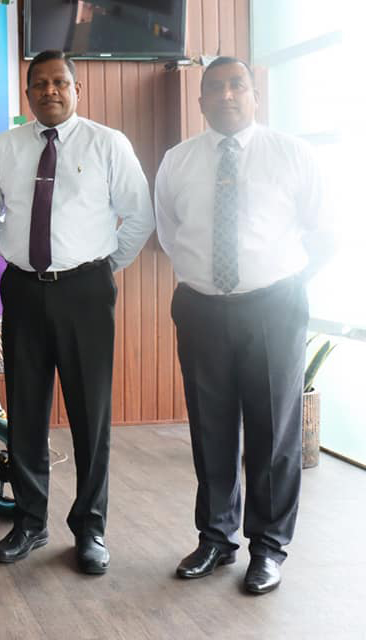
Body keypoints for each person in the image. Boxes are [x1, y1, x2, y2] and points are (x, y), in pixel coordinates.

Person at [155, 57, 332, 595]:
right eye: (215, 88)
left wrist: (280, 285)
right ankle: (215, 538)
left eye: (237, 86)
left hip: (273, 307)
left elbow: (324, 233)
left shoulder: (292, 154)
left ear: (255, 96)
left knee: (272, 430)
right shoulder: (177, 162)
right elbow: (170, 233)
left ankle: (269, 548)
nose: (226, 95)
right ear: (201, 100)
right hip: (202, 308)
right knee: (209, 428)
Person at [0, 51, 155, 574]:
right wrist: (14, 251)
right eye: (39, 83)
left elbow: (139, 215)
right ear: (28, 93)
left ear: (77, 89)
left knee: (90, 414)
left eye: (60, 82)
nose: (49, 90)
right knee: (28, 412)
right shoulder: (7, 147)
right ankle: (31, 522)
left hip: (85, 293)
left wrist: (100, 268)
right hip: (25, 292)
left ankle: (91, 529)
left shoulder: (107, 143)